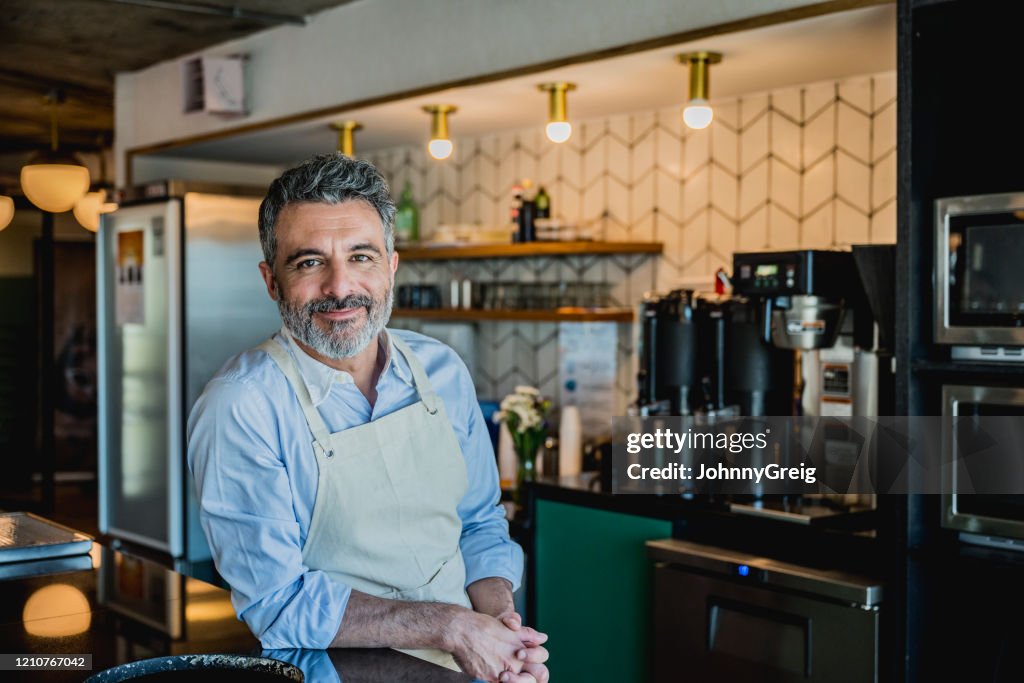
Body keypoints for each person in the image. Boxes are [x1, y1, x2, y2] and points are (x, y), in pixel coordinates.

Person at [187, 153, 549, 683]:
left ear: (391, 267)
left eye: (361, 257)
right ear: (271, 280)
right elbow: (278, 602)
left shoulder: (441, 370)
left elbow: (478, 522)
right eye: (309, 262)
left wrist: (498, 626)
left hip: (462, 667)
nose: (339, 287)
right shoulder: (241, 405)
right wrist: (451, 627)